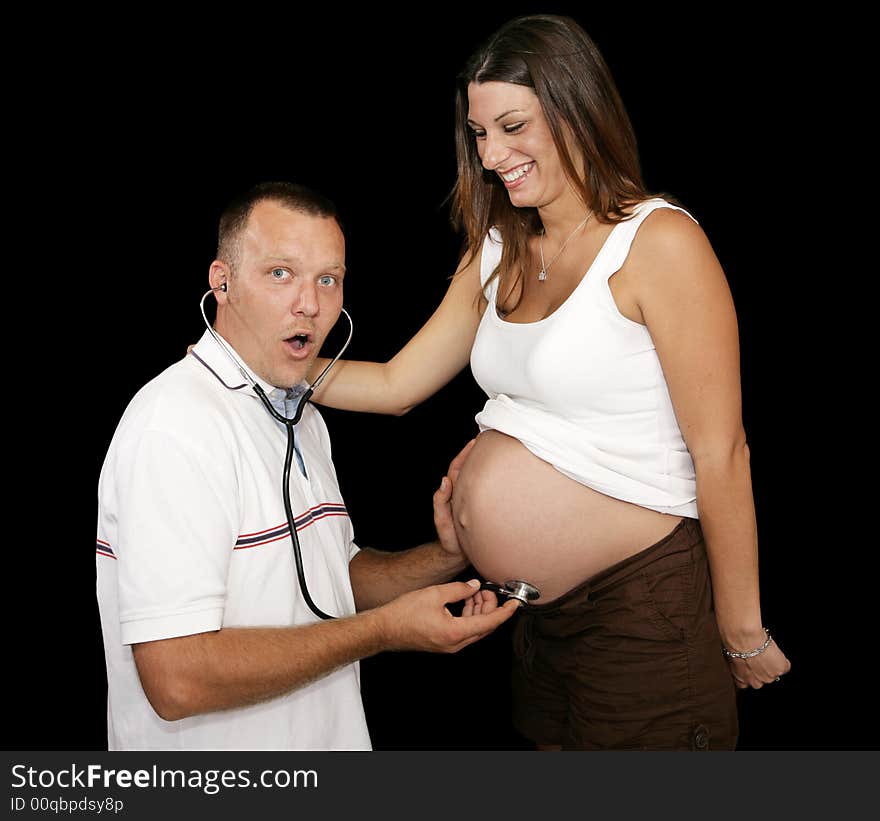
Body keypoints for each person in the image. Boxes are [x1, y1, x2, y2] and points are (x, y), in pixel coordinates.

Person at [307, 15, 791, 750]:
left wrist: (742, 627)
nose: (493, 154)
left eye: (512, 126)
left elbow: (722, 451)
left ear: (575, 107)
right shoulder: (497, 246)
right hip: (541, 615)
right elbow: (400, 382)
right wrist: (274, 368)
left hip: (644, 605)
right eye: (478, 133)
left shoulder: (658, 243)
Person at [95, 181, 518, 751]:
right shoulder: (175, 426)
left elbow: (329, 580)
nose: (310, 304)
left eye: (328, 279)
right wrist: (385, 633)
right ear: (222, 281)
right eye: (280, 274)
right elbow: (177, 678)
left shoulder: (298, 414)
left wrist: (448, 556)